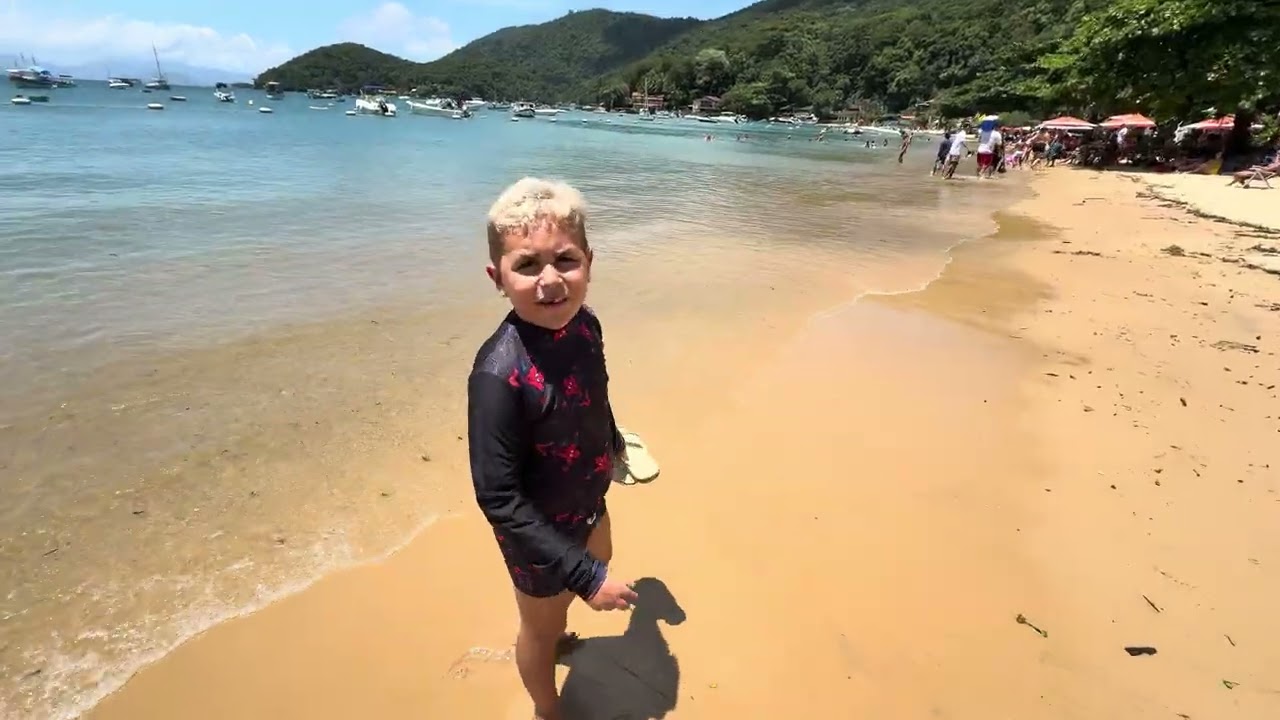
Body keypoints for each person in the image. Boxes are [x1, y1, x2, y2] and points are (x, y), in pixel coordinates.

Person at [468, 177, 638, 720]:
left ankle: (562, 617)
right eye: (526, 266)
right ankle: (547, 708)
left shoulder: (586, 325)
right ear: (498, 278)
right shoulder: (498, 374)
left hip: (587, 496)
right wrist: (585, 577)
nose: (549, 282)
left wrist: (613, 444)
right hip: (534, 532)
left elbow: (596, 390)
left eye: (565, 260)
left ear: (589, 261)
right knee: (540, 629)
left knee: (601, 555)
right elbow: (497, 498)